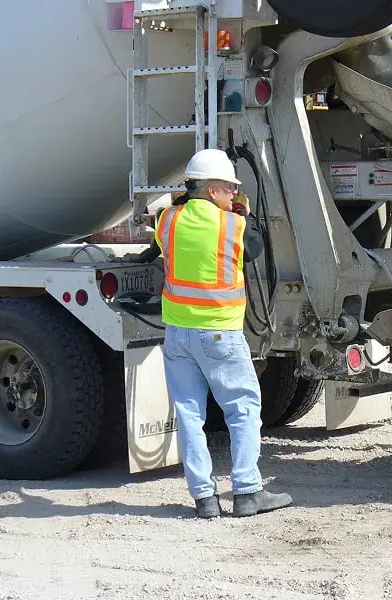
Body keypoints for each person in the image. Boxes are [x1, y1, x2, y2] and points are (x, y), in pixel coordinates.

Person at [154, 148, 292, 519]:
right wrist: (243, 211)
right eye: (230, 189)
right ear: (213, 189)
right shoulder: (233, 224)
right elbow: (256, 247)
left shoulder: (168, 220)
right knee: (243, 410)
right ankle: (247, 492)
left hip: (178, 334)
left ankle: (204, 499)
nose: (234, 195)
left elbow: (170, 241)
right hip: (219, 334)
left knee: (188, 415)